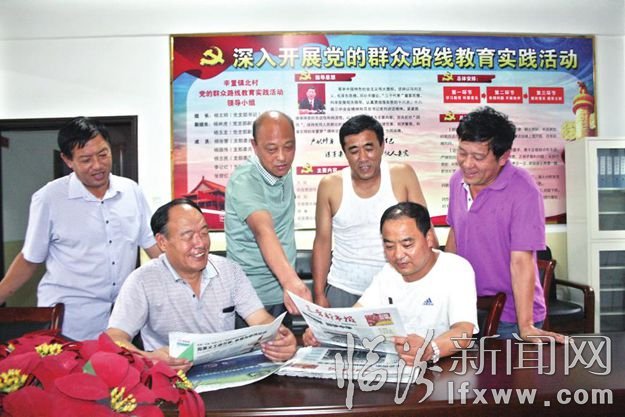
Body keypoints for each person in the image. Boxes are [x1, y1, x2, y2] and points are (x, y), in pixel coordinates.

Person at [0, 116, 161, 341]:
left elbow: (153, 246)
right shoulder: (49, 198)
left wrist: (185, 278)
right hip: (70, 322)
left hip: (121, 320)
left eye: (103, 154)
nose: (97, 165)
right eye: (86, 159)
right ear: (67, 160)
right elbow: (30, 258)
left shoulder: (131, 191)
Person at [106, 198, 297, 371]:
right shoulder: (142, 280)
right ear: (162, 242)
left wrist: (279, 338)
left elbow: (261, 320)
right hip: (170, 378)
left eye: (204, 232)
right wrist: (148, 359)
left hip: (224, 373)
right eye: (188, 235)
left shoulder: (229, 271)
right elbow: (114, 338)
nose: (200, 243)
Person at [445, 106, 565, 343]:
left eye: (478, 157)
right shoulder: (457, 181)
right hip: (466, 309)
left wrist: (526, 325)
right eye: (462, 153)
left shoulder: (524, 190)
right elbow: (455, 235)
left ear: (503, 157)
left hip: (510, 316)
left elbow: (522, 262)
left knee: (507, 369)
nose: (467, 164)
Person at [304, 202, 477, 366]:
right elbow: (356, 316)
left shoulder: (456, 269)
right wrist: (324, 332)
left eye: (407, 244)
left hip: (443, 368)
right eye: (389, 246)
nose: (398, 255)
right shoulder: (388, 273)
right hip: (394, 367)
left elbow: (463, 330)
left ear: (429, 238)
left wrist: (431, 349)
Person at [312, 114, 430, 308]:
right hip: (343, 288)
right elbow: (322, 242)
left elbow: (425, 231)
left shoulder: (402, 175)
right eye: (354, 151)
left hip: (396, 286)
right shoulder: (330, 185)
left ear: (382, 146)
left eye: (369, 148)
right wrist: (318, 294)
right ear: (345, 152)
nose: (363, 158)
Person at [225, 110, 311, 327]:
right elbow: (263, 230)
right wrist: (290, 281)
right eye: (271, 149)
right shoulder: (245, 180)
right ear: (254, 146)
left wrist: (289, 284)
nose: (282, 157)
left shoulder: (283, 171)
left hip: (283, 294)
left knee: (285, 348)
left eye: (289, 147)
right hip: (250, 299)